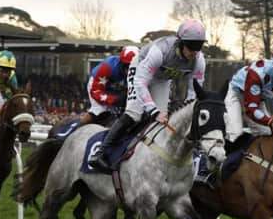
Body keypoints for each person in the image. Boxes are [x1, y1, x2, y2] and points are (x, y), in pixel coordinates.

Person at [88, 19, 207, 170]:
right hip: (140, 71)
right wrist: (152, 109)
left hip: (162, 78)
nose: (194, 51)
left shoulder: (199, 61)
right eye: (191, 46)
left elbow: (193, 93)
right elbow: (140, 82)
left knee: (161, 120)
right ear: (181, 42)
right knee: (135, 112)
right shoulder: (160, 51)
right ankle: (100, 153)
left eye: (199, 46)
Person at [225, 46, 273, 146]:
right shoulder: (258, 74)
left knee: (266, 133)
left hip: (256, 99)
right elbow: (251, 109)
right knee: (235, 134)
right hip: (236, 94)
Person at [81, 46, 139, 125]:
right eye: (127, 66)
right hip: (96, 88)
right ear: (121, 63)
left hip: (113, 87)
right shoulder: (106, 67)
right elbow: (95, 92)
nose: (130, 70)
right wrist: (113, 100)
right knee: (100, 112)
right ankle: (77, 128)